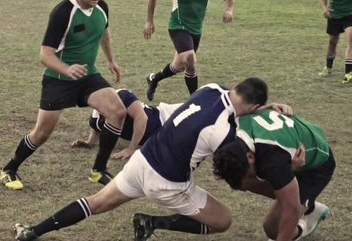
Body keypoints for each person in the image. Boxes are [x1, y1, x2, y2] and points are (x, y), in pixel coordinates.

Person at [14, 77, 292, 241]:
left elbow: (232, 107)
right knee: (223, 221)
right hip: (167, 183)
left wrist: (263, 107)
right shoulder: (222, 133)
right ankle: (155, 223)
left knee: (96, 203)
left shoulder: (210, 88)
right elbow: (240, 177)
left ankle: (33, 232)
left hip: (142, 161)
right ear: (254, 107)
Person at [0, 0, 127, 190]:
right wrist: (67, 69)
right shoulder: (63, 12)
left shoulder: (102, 7)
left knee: (117, 112)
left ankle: (98, 170)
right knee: (42, 133)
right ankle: (9, 169)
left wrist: (110, 60)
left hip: (87, 76)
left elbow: (104, 32)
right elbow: (45, 55)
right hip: (58, 80)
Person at [212, 110, 335, 241]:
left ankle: (306, 214)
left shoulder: (273, 160)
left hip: (316, 165)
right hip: (291, 148)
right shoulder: (232, 127)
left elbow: (291, 209)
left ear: (250, 156)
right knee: (243, 183)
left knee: (273, 229)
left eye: (249, 175)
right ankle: (308, 205)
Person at [143, 0, 234, 101]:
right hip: (178, 27)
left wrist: (229, 10)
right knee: (190, 60)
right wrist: (149, 21)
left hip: (196, 30)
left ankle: (154, 78)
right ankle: (196, 100)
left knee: (179, 66)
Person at [71, 88, 182, 162]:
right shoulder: (96, 120)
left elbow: (142, 118)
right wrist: (88, 142)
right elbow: (96, 130)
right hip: (162, 137)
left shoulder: (120, 95)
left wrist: (130, 149)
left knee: (198, 108)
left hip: (167, 117)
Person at [318, 0, 352, 84]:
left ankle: (348, 72)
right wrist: (325, 8)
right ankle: (328, 67)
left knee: (351, 38)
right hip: (335, 15)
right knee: (332, 42)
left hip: (350, 15)